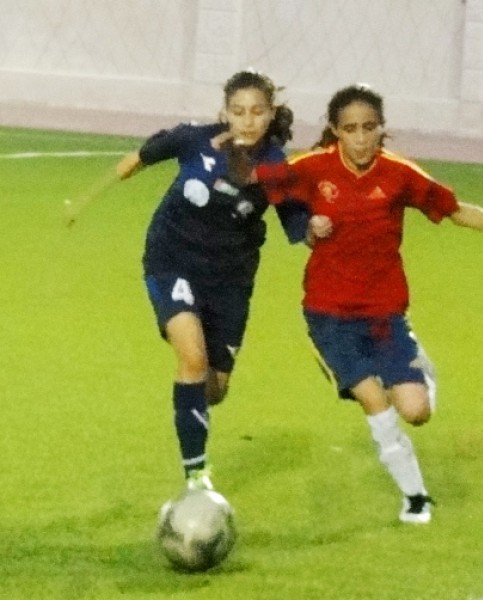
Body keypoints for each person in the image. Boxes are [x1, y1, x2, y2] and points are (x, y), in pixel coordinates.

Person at [254, 84, 483, 524]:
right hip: (329, 315)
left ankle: (416, 367)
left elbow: (456, 210)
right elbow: (262, 185)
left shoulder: (399, 174)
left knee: (416, 412)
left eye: (369, 128)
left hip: (384, 315)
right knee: (376, 405)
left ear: (381, 128)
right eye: (350, 129)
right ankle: (416, 499)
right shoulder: (312, 167)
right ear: (336, 131)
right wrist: (304, 224)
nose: (360, 138)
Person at [116, 70, 308, 493]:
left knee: (214, 389)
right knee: (192, 359)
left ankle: (188, 406)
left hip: (230, 279)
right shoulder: (197, 140)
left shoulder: (275, 166)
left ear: (270, 114)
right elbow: (158, 146)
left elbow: (297, 223)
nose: (247, 120)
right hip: (171, 259)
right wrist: (134, 161)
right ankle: (196, 476)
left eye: (257, 112)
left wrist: (322, 228)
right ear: (225, 113)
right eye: (238, 111)